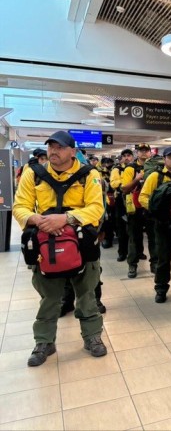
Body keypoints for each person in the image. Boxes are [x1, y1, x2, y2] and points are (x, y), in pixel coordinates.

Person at [13, 131, 107, 366]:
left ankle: (92, 336)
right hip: (46, 241)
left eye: (60, 147)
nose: (53, 151)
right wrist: (40, 221)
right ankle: (44, 341)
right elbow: (20, 207)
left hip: (82, 240)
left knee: (87, 294)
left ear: (72, 152)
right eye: (51, 147)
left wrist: (65, 219)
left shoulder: (89, 175)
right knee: (50, 297)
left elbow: (96, 209)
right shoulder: (33, 173)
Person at [139, 147, 171, 303]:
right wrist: (157, 210)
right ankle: (161, 289)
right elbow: (143, 197)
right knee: (163, 259)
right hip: (162, 225)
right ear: (165, 159)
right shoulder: (156, 176)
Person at [121, 143, 156, 278]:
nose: (143, 153)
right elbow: (124, 189)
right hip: (134, 208)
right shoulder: (131, 168)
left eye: (146, 150)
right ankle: (132, 265)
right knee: (134, 238)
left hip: (150, 206)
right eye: (141, 151)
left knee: (154, 238)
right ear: (137, 153)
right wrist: (136, 179)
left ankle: (154, 263)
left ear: (150, 152)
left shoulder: (155, 168)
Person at [110, 149, 133, 262]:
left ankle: (137, 252)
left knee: (134, 228)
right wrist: (126, 184)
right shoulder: (117, 169)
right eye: (124, 156)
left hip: (134, 199)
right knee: (122, 229)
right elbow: (114, 183)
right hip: (121, 200)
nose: (126, 158)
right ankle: (122, 252)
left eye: (129, 155)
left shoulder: (135, 168)